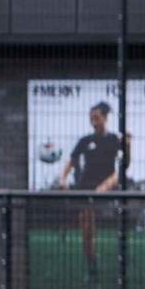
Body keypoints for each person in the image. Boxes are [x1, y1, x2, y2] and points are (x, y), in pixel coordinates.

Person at [58, 99, 129, 278]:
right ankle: (92, 265)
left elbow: (124, 166)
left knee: (116, 179)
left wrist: (128, 145)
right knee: (87, 229)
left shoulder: (114, 140)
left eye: (96, 118)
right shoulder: (85, 141)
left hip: (107, 184)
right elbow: (72, 161)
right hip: (87, 188)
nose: (93, 122)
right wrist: (63, 178)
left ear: (105, 118)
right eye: (91, 119)